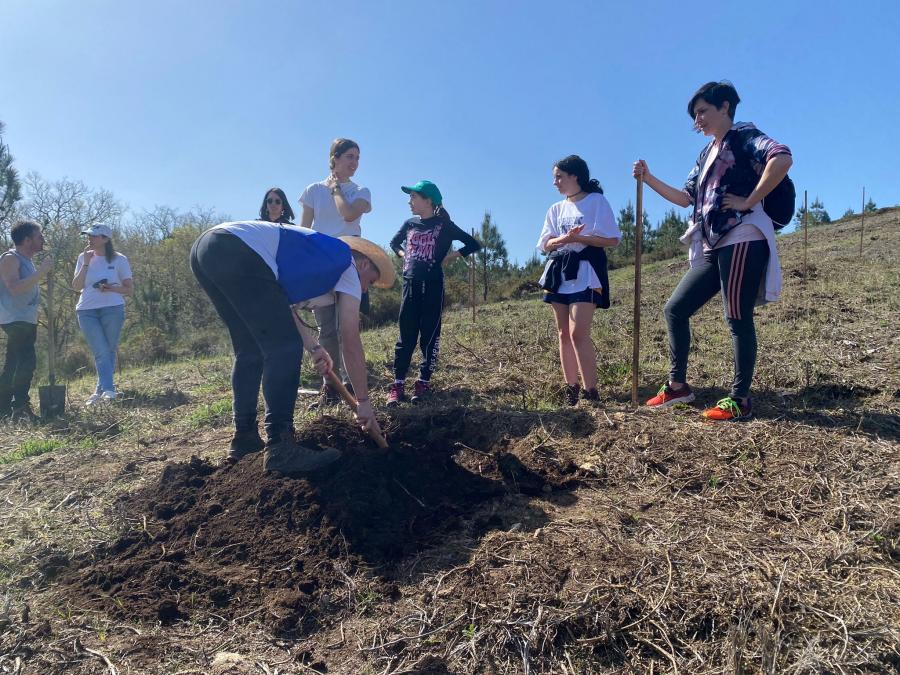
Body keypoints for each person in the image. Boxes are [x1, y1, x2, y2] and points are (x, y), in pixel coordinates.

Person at [633, 80, 791, 421]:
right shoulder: (706, 154)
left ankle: (740, 399)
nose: (697, 120)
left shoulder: (745, 136)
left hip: (742, 237)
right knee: (675, 309)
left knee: (737, 317)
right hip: (711, 242)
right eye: (695, 115)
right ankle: (678, 387)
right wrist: (649, 178)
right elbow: (685, 197)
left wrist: (750, 201)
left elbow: (781, 158)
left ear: (725, 108)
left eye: (703, 111)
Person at [190, 220, 394, 473]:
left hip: (208, 248)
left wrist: (314, 347)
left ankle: (244, 439)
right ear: (363, 264)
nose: (365, 291)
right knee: (284, 348)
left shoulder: (315, 262)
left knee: (250, 349)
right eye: (370, 283)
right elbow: (350, 337)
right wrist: (363, 400)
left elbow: (281, 306)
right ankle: (281, 446)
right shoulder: (348, 266)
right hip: (238, 249)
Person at [387, 180, 480, 406]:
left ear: (428, 200)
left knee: (429, 333)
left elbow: (472, 243)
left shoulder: (444, 225)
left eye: (414, 197)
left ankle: (423, 381)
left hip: (433, 285)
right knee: (406, 334)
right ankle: (398, 384)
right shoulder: (409, 224)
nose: (410, 202)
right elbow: (394, 243)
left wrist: (450, 257)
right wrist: (405, 257)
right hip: (410, 284)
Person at [537, 156, 620, 406]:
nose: (556, 182)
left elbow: (612, 239)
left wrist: (582, 238)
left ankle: (591, 391)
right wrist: (562, 240)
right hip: (559, 273)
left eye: (560, 176)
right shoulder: (555, 209)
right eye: (554, 177)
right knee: (563, 333)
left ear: (575, 176)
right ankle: (570, 389)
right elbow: (544, 244)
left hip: (586, 273)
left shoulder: (596, 202)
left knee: (577, 333)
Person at [299, 138, 372, 405]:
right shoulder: (312, 190)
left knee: (347, 329)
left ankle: (353, 384)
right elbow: (304, 231)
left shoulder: (361, 191)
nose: (354, 162)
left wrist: (337, 190)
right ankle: (331, 386)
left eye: (357, 157)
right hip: (319, 262)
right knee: (327, 329)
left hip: (349, 259)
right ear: (334, 159)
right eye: (349, 156)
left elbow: (349, 215)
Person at [72, 224, 133, 404]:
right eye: (88, 236)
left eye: (94, 236)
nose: (89, 239)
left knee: (108, 349)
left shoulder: (119, 260)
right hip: (86, 310)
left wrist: (111, 288)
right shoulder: (83, 257)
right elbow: (76, 286)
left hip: (113, 309)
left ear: (106, 239)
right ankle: (108, 389)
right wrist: (85, 263)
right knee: (100, 349)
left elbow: (129, 290)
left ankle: (100, 391)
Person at [0, 220, 52, 420]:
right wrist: (42, 272)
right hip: (14, 318)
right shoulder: (10, 258)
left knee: (14, 363)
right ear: (27, 240)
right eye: (39, 236)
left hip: (25, 319)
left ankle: (5, 409)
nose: (43, 239)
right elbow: (14, 288)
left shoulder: (27, 260)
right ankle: (20, 407)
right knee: (26, 362)